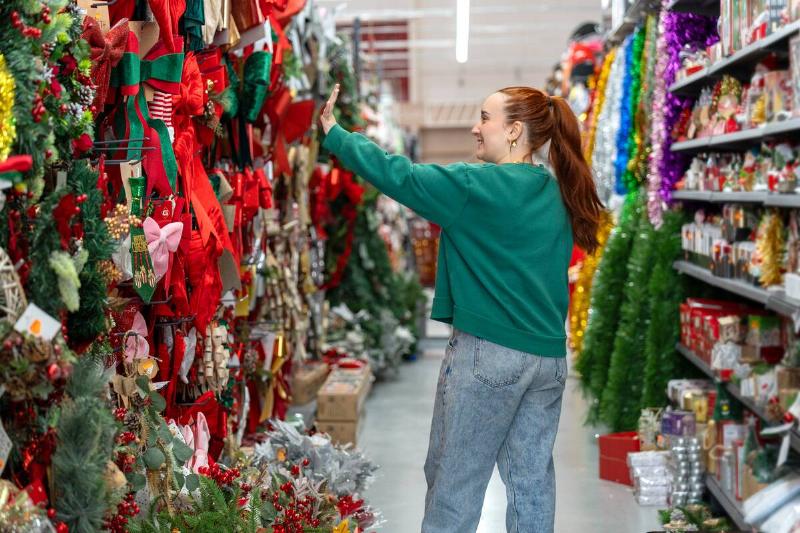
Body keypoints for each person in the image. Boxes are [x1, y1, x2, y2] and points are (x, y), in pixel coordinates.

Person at [320, 84, 603, 533]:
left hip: (489, 356)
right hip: (548, 360)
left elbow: (400, 176)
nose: (475, 127)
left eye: (485, 118)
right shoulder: (557, 190)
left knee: (455, 487)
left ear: (514, 131)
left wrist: (337, 135)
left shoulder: (474, 187)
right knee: (531, 484)